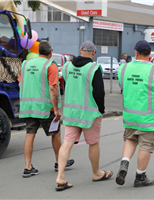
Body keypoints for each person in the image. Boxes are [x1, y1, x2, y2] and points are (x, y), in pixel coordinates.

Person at [116, 40, 154, 187]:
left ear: (136, 53)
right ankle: (140, 176)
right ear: (150, 54)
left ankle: (125, 162)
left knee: (131, 139)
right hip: (148, 118)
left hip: (130, 116)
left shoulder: (123, 68)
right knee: (146, 146)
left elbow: (122, 86)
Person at [55, 41, 113, 191]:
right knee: (93, 143)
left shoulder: (67, 66)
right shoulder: (94, 68)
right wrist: (101, 109)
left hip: (71, 112)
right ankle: (96, 173)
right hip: (89, 113)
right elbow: (99, 92)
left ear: (80, 50)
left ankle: (60, 176)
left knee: (67, 142)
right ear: (94, 53)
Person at [19, 40, 74, 178]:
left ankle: (28, 167)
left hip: (29, 107)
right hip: (45, 108)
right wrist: (56, 109)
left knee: (30, 135)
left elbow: (20, 82)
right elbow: (53, 87)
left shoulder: (25, 64)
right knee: (55, 134)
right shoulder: (50, 65)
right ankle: (59, 162)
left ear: (38, 52)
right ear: (50, 52)